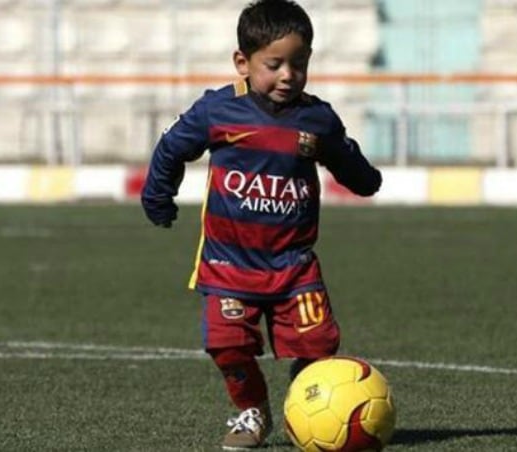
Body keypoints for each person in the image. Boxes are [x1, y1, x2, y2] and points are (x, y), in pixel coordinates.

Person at [141, 0, 382, 449]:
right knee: (227, 346)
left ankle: (309, 399)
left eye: (300, 64)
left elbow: (351, 166)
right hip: (229, 264)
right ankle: (251, 412)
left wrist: (364, 178)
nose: (288, 75)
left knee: (319, 348)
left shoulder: (317, 119)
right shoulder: (218, 111)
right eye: (275, 64)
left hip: (294, 266)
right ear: (243, 62)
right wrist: (158, 197)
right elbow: (172, 148)